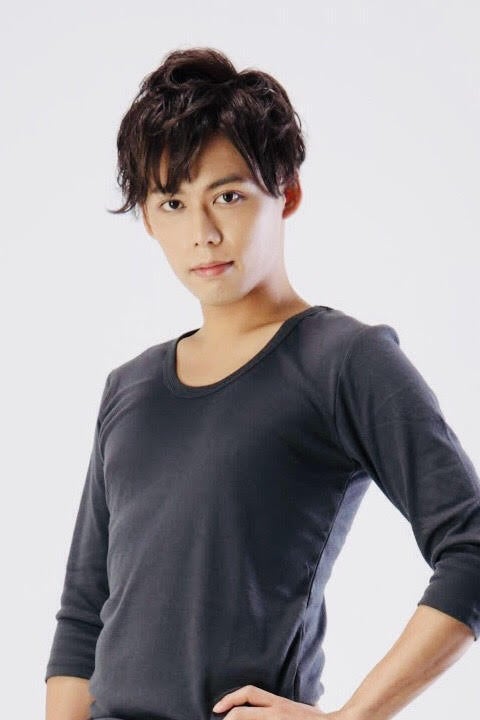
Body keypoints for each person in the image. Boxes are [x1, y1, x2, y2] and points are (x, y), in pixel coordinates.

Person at [44, 47, 480, 720]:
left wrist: (353, 719)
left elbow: (470, 548)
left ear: (287, 192)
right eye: (173, 202)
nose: (203, 233)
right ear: (149, 219)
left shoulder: (343, 360)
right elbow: (83, 616)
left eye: (228, 196)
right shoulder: (129, 388)